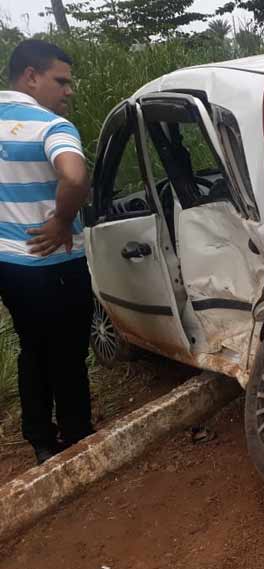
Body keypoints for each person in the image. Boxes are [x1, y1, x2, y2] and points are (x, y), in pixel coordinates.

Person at [0, 40, 93, 464]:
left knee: (33, 348)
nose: (69, 91)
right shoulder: (50, 125)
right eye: (61, 81)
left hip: (8, 265)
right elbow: (74, 177)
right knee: (69, 351)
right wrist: (61, 219)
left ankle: (40, 438)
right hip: (53, 262)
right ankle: (77, 435)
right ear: (31, 76)